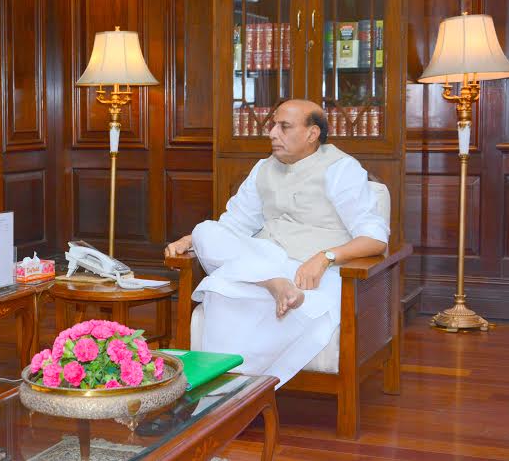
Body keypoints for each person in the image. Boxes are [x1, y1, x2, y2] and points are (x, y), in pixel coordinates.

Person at [165, 99, 389, 387]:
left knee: (223, 290)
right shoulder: (263, 168)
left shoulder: (341, 169)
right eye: (273, 125)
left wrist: (326, 257)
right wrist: (192, 240)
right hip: (266, 263)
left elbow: (375, 239)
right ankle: (274, 283)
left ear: (312, 134)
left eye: (284, 127)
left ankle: (223, 393)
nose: (272, 133)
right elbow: (233, 225)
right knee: (205, 230)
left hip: (310, 277)